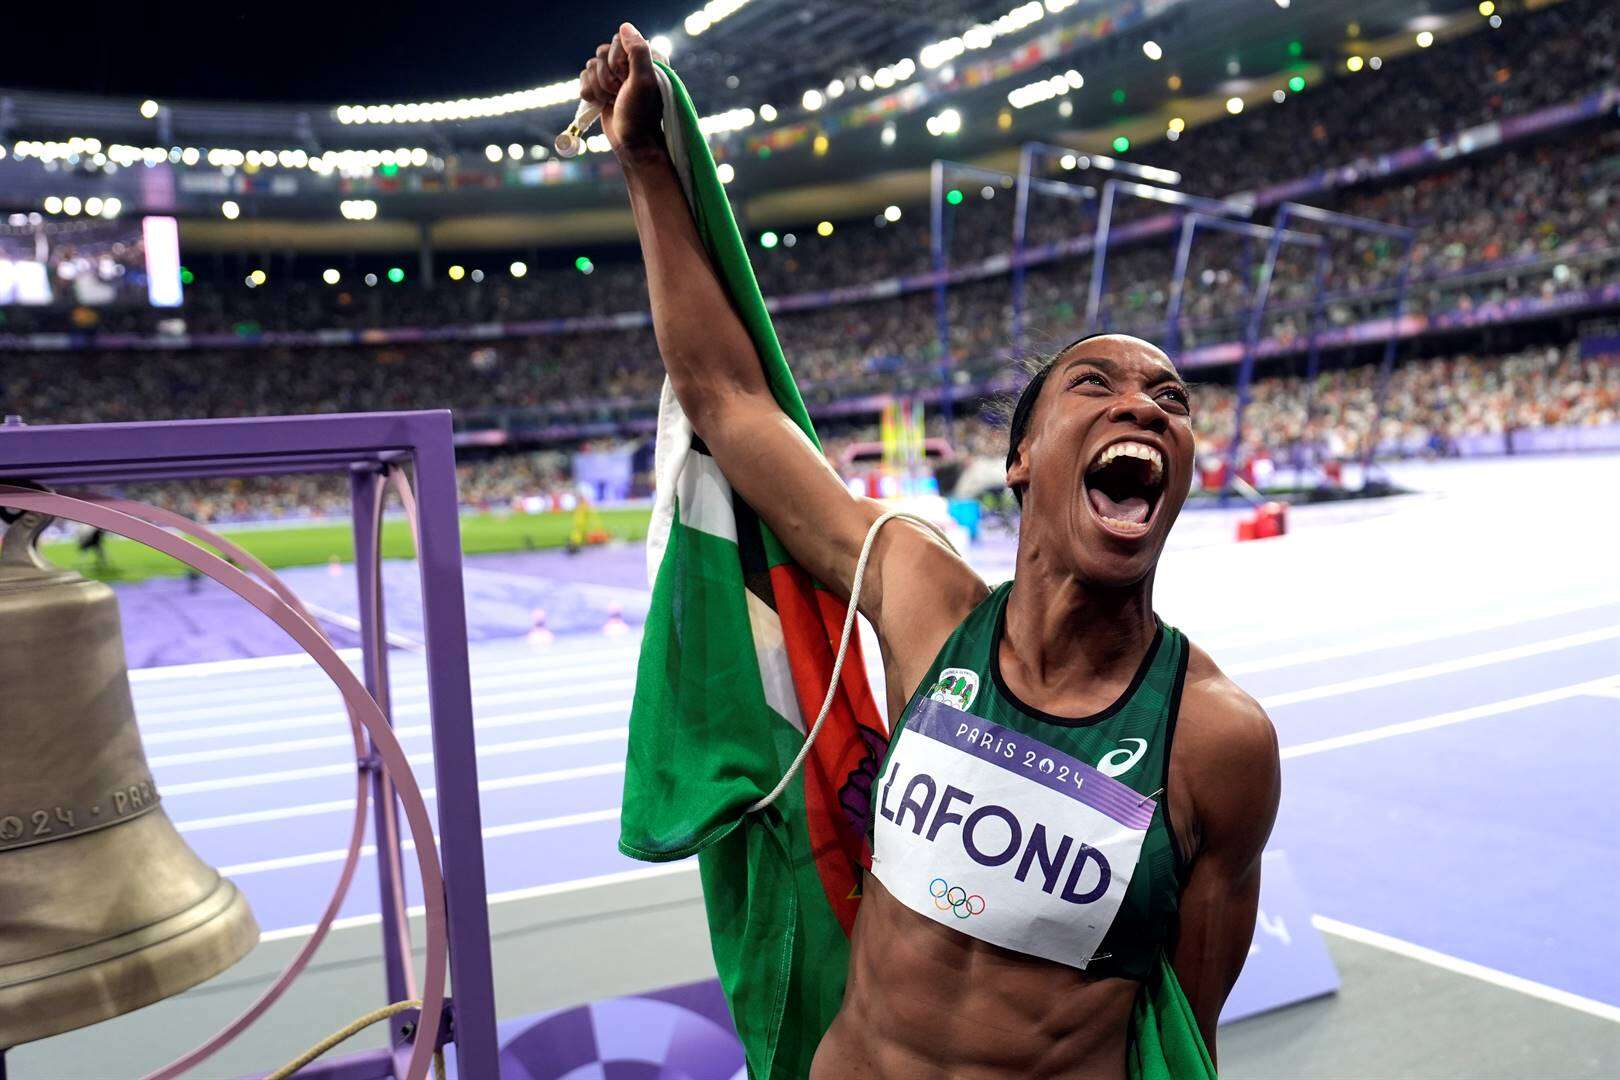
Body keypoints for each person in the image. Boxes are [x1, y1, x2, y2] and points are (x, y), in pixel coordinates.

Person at [582, 23, 1280, 1078]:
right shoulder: (925, 601)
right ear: (1022, 461)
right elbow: (728, 402)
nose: (1144, 403)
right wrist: (644, 164)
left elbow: (1184, 1032)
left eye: (1171, 400)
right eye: (1096, 386)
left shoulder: (1217, 744)